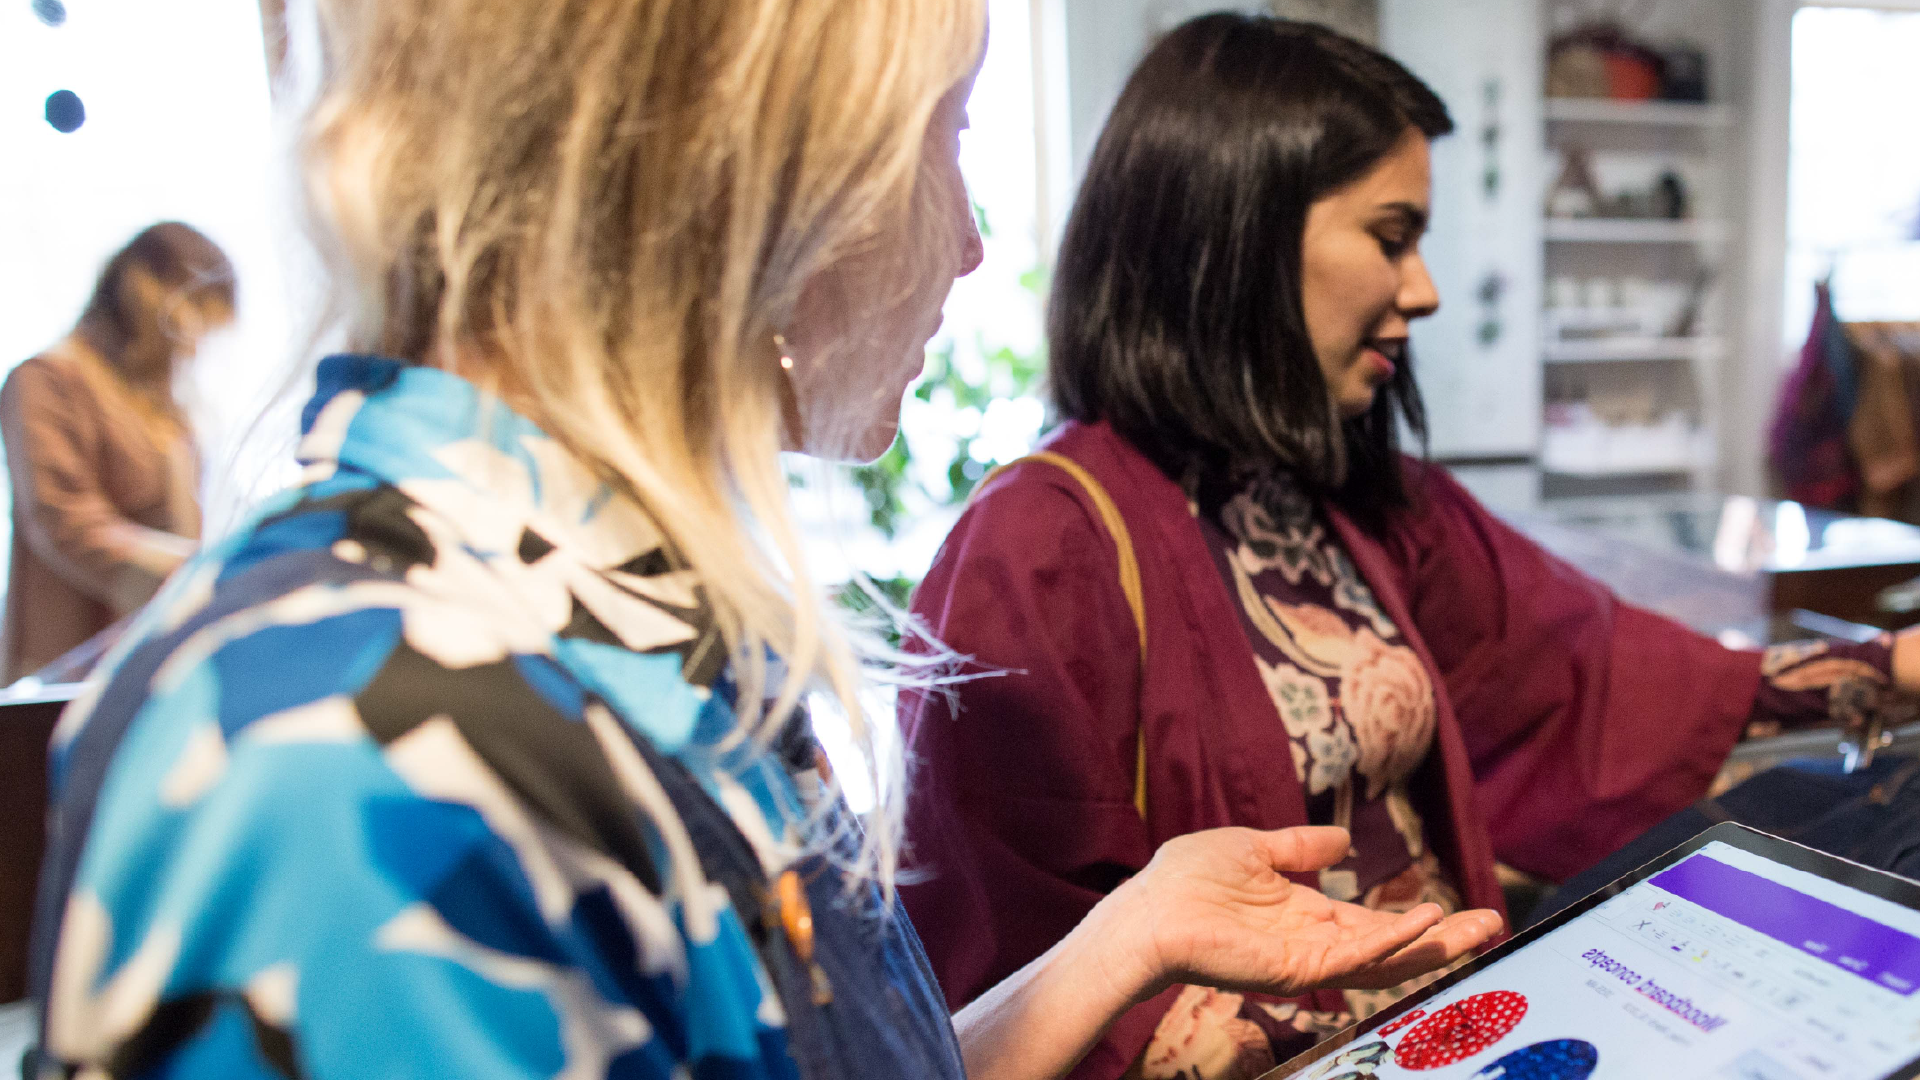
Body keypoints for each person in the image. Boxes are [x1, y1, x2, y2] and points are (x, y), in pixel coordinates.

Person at [26, 4, 1501, 1079]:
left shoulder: (615, 624)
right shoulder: (349, 743)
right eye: (946, 136)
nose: (972, 238)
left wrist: (1127, 936)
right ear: (756, 167)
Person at [897, 14, 1920, 1080]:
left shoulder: (1346, 498)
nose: (1423, 290)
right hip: (1361, 1047)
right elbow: (1007, 963)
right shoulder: (1039, 547)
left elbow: (1595, 676)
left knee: (1868, 813)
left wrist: (1885, 666)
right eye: (1391, 238)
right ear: (1238, 237)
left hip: (1464, 1009)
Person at [0, 222, 233, 683]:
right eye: (198, 317)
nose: (196, 343)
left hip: (150, 659)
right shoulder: (48, 379)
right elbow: (64, 521)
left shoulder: (166, 409)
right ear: (150, 295)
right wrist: (195, 568)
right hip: (66, 665)